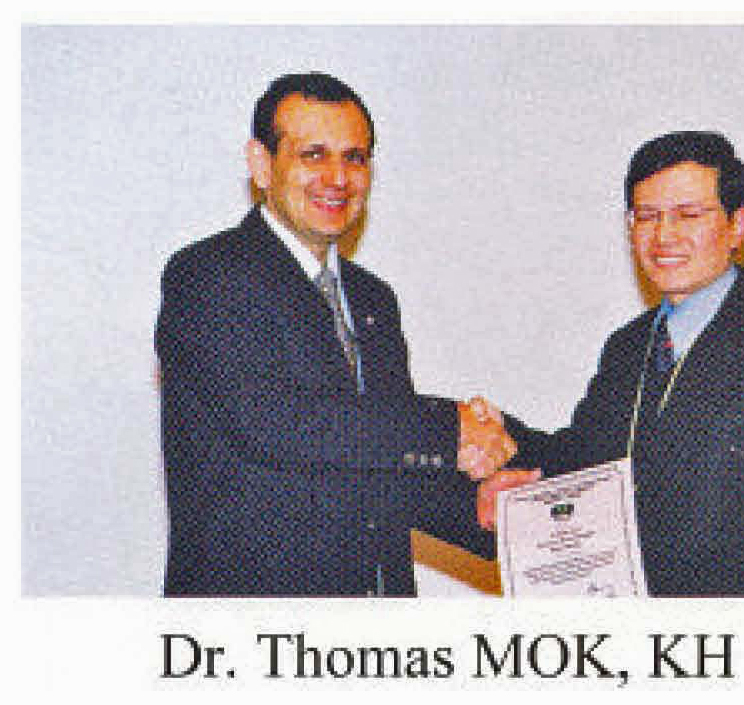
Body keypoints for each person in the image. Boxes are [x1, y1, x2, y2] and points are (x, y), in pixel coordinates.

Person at [155, 72, 515, 596]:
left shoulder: (373, 299)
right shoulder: (209, 275)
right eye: (313, 155)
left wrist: (475, 508)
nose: (338, 177)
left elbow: (376, 455)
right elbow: (277, 422)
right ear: (261, 164)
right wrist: (449, 429)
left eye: (355, 158)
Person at [479, 131, 744, 596]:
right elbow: (582, 464)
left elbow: (734, 526)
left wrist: (552, 525)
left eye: (689, 215)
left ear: (737, 225)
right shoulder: (628, 347)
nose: (664, 235)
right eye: (647, 216)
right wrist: (491, 433)